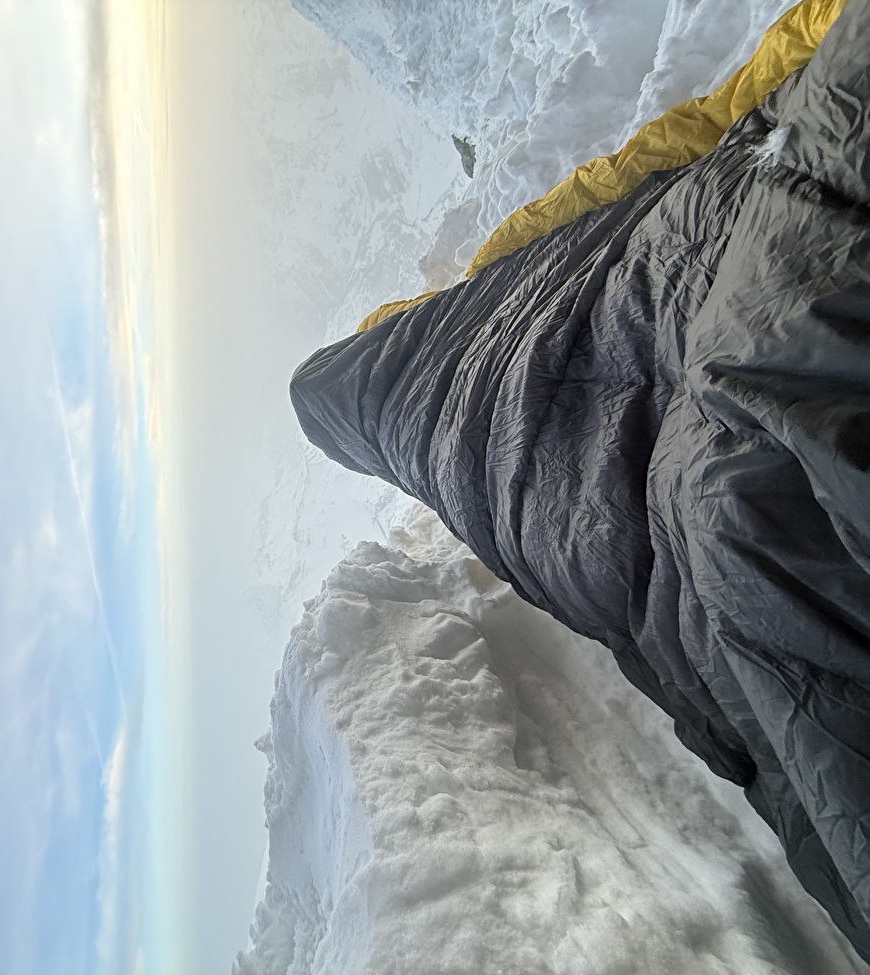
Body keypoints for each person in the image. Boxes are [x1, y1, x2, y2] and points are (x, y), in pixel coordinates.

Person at [291, 0, 870, 960]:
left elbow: (668, 154)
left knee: (732, 488)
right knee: (725, 506)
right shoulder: (444, 364)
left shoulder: (493, 278)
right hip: (661, 305)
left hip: (686, 255)